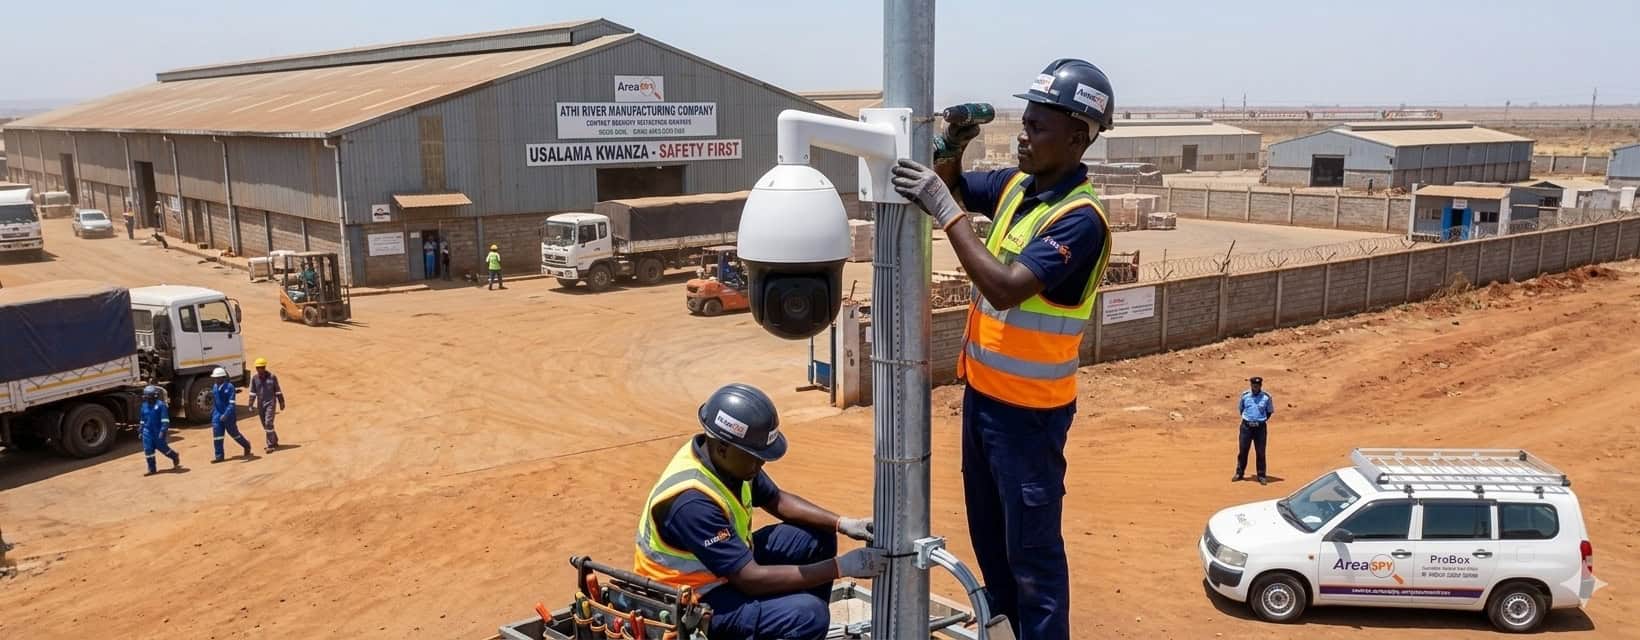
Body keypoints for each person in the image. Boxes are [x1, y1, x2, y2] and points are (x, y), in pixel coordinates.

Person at [890, 58, 1116, 640]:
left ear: (1077, 138)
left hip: (1030, 419)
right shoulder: (1019, 187)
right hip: (985, 403)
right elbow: (953, 184)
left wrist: (946, 212)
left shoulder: (1079, 220)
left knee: (1033, 558)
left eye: (1038, 127)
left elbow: (1005, 287)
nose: (1023, 135)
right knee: (992, 542)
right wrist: (953, 146)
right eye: (1025, 122)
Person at [633, 383, 883, 640]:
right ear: (722, 448)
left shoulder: (726, 461)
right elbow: (750, 579)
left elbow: (776, 499)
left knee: (818, 537)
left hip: (724, 568)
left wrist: (843, 523)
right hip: (694, 599)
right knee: (809, 615)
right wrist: (840, 567)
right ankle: (790, 622)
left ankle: (789, 624)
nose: (761, 462)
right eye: (755, 455)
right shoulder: (692, 502)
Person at [1234, 376, 1274, 485]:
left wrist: (1260, 420)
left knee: (1260, 452)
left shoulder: (1266, 397)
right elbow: (1241, 409)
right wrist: (1249, 420)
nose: (1255, 387)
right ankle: (1239, 473)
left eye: (1257, 385)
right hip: (1246, 427)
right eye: (1254, 385)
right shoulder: (1245, 396)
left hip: (1260, 428)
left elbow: (1269, 411)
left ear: (1261, 385)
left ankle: (1261, 475)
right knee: (1243, 451)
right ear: (1251, 385)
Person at [209, 367, 253, 463]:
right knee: (217, 436)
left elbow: (231, 404)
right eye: (215, 378)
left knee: (234, 434)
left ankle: (246, 445)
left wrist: (226, 414)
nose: (215, 380)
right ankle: (219, 456)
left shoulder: (230, 387)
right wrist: (213, 411)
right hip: (217, 415)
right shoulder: (215, 387)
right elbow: (215, 401)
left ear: (222, 378)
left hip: (229, 416)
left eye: (217, 378)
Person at [139, 385, 182, 476]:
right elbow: (142, 420)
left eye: (148, 397)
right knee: (148, 450)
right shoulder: (144, 406)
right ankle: (152, 469)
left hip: (158, 431)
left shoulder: (161, 405)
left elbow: (165, 420)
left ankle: (174, 456)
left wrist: (163, 431)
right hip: (147, 431)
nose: (146, 398)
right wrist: (141, 430)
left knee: (163, 448)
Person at [248, 357, 286, 453]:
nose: (259, 369)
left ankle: (270, 445)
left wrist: (281, 402)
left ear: (264, 367)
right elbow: (252, 392)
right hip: (260, 404)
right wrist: (250, 404)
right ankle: (274, 440)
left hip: (271, 403)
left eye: (261, 367)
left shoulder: (272, 377)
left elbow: (278, 391)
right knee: (265, 424)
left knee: (268, 422)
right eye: (258, 368)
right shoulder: (254, 378)